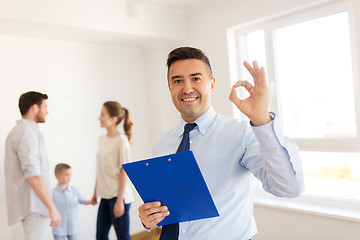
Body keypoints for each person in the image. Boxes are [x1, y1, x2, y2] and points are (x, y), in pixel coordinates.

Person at [138, 47, 304, 240]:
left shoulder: (240, 134)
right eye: (177, 81)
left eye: (196, 78)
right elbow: (167, 206)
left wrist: (262, 122)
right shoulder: (162, 144)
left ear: (212, 84)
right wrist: (148, 219)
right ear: (170, 88)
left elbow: (289, 188)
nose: (187, 88)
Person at [4, 91, 61, 240]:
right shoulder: (26, 133)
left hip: (34, 207)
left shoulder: (23, 131)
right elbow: (33, 174)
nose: (47, 111)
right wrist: (52, 207)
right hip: (34, 207)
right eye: (45, 106)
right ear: (34, 108)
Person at [91, 101, 134, 240]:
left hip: (118, 196)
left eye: (102, 115)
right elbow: (100, 168)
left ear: (113, 119)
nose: (99, 118)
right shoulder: (101, 139)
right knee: (100, 237)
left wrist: (119, 201)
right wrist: (95, 193)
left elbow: (124, 171)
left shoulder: (121, 141)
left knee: (123, 237)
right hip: (105, 196)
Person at [52, 163, 92, 240]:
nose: (69, 177)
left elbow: (83, 201)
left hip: (73, 226)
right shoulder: (52, 193)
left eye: (70, 175)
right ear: (57, 176)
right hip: (58, 228)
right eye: (66, 175)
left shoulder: (75, 190)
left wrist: (91, 201)